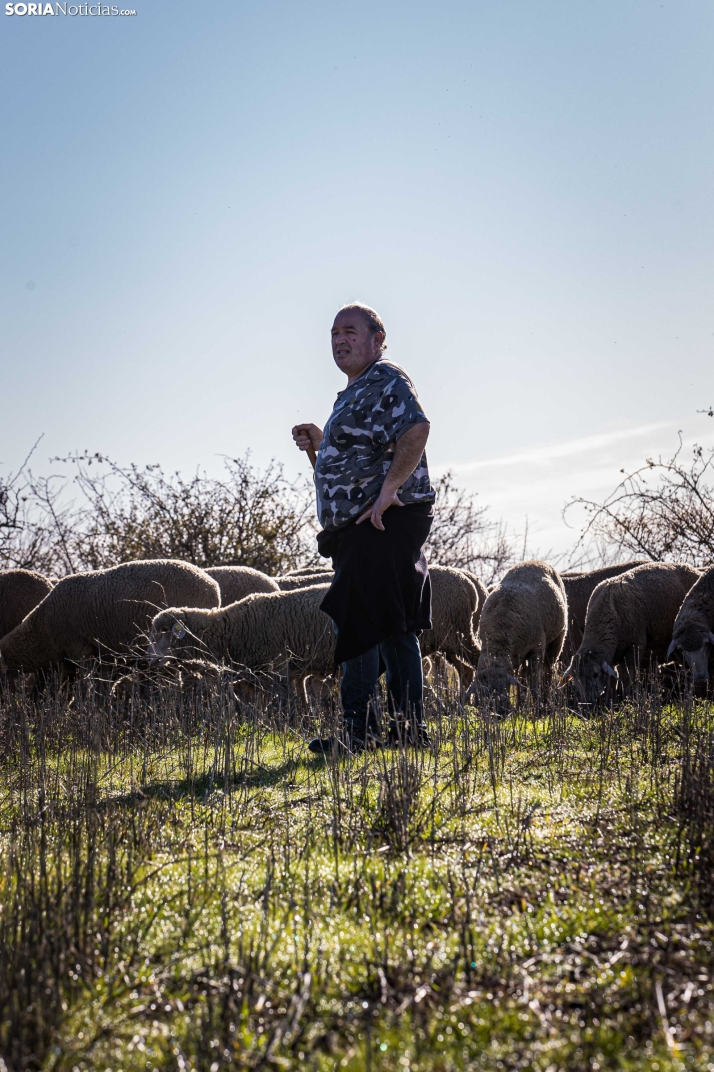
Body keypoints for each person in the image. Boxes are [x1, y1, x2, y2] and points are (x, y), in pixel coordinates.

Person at [292, 302, 435, 753]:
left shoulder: (386, 378)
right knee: (392, 625)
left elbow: (416, 429)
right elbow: (354, 461)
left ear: (377, 338)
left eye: (350, 331)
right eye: (334, 333)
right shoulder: (354, 392)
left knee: (358, 623)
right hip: (365, 526)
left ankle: (359, 733)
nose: (339, 339)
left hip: (381, 523)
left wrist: (389, 491)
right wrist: (321, 444)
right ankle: (407, 732)